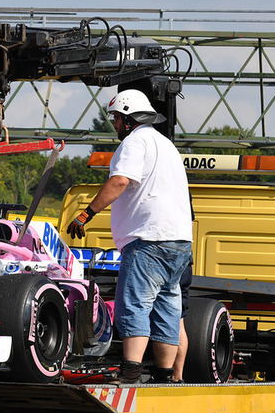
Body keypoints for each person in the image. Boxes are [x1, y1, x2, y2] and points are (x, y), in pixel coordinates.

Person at [67, 88, 192, 383]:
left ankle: (131, 372)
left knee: (134, 305)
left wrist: (87, 213)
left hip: (148, 240)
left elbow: (121, 180)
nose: (114, 123)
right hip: (179, 242)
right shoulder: (167, 145)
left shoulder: (135, 143)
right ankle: (163, 376)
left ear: (127, 118)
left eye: (115, 118)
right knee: (167, 311)